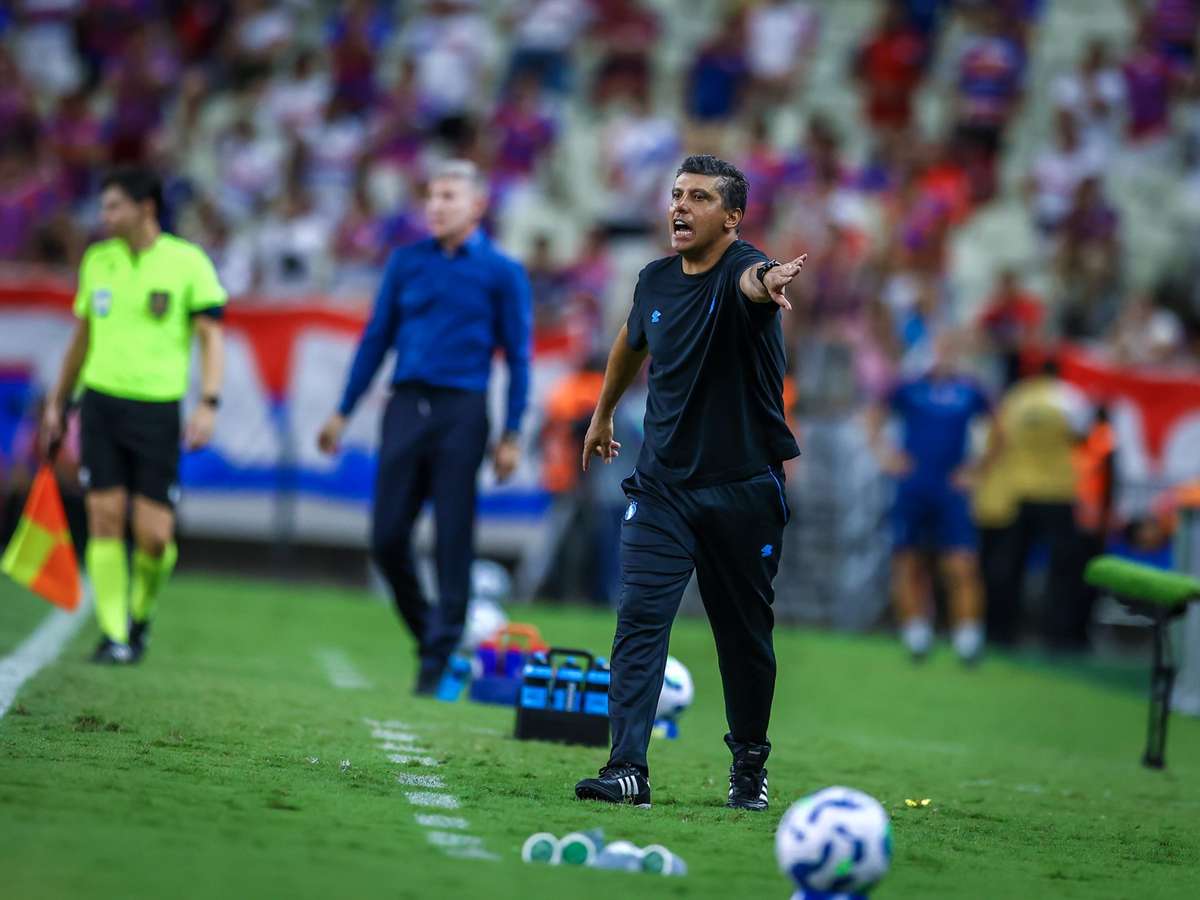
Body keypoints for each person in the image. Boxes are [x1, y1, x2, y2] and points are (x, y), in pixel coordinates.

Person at [573, 155, 804, 811]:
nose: (680, 206)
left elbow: (755, 283)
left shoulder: (744, 270)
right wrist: (603, 413)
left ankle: (749, 764)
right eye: (677, 194)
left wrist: (771, 279)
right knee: (639, 618)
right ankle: (627, 769)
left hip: (742, 492)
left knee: (743, 638)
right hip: (662, 489)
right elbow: (630, 343)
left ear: (732, 218)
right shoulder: (653, 280)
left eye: (699, 197)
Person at [317, 160, 532, 696]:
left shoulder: (502, 272)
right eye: (432, 196)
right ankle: (431, 632)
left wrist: (511, 433)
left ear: (477, 205)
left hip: (463, 409)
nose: (436, 206)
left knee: (454, 537)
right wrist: (343, 409)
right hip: (406, 406)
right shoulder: (406, 262)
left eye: (449, 196)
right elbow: (376, 338)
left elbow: (519, 357)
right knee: (387, 537)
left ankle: (436, 660)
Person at [42, 167, 226, 663]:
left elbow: (211, 337)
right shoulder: (98, 261)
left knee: (155, 537)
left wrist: (209, 402)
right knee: (103, 517)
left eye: (114, 206)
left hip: (157, 412)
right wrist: (59, 401)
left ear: (146, 208)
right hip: (100, 404)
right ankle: (113, 634)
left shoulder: (188, 263)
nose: (104, 216)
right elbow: (82, 337)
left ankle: (140, 616)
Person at [866, 332, 992, 664]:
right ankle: (916, 632)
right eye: (940, 347)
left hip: (951, 489)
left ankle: (967, 636)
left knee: (962, 564)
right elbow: (874, 416)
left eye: (951, 347)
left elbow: (1000, 429)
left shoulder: (971, 390)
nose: (945, 353)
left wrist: (977, 469)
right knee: (908, 560)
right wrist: (886, 456)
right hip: (914, 486)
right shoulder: (909, 388)